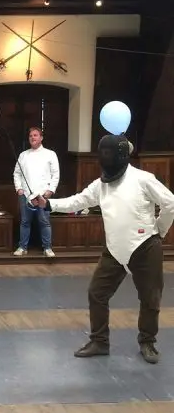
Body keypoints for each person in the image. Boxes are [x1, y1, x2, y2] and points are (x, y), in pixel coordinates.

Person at [35, 134, 174, 364]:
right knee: (97, 293)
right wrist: (49, 203)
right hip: (114, 250)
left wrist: (160, 230)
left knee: (150, 298)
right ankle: (99, 341)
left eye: (110, 154)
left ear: (121, 155)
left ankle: (147, 342)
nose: (106, 158)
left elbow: (170, 202)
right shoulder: (101, 185)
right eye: (104, 154)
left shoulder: (143, 179)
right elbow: (79, 201)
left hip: (145, 247)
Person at [13, 127, 60, 257]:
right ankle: (22, 247)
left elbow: (55, 174)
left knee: (44, 221)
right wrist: (19, 188)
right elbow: (17, 173)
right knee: (25, 221)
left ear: (41, 138)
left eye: (35, 135)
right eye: (30, 136)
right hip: (26, 194)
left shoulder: (50, 154)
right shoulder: (23, 155)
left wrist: (51, 190)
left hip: (43, 194)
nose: (32, 138)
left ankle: (47, 248)